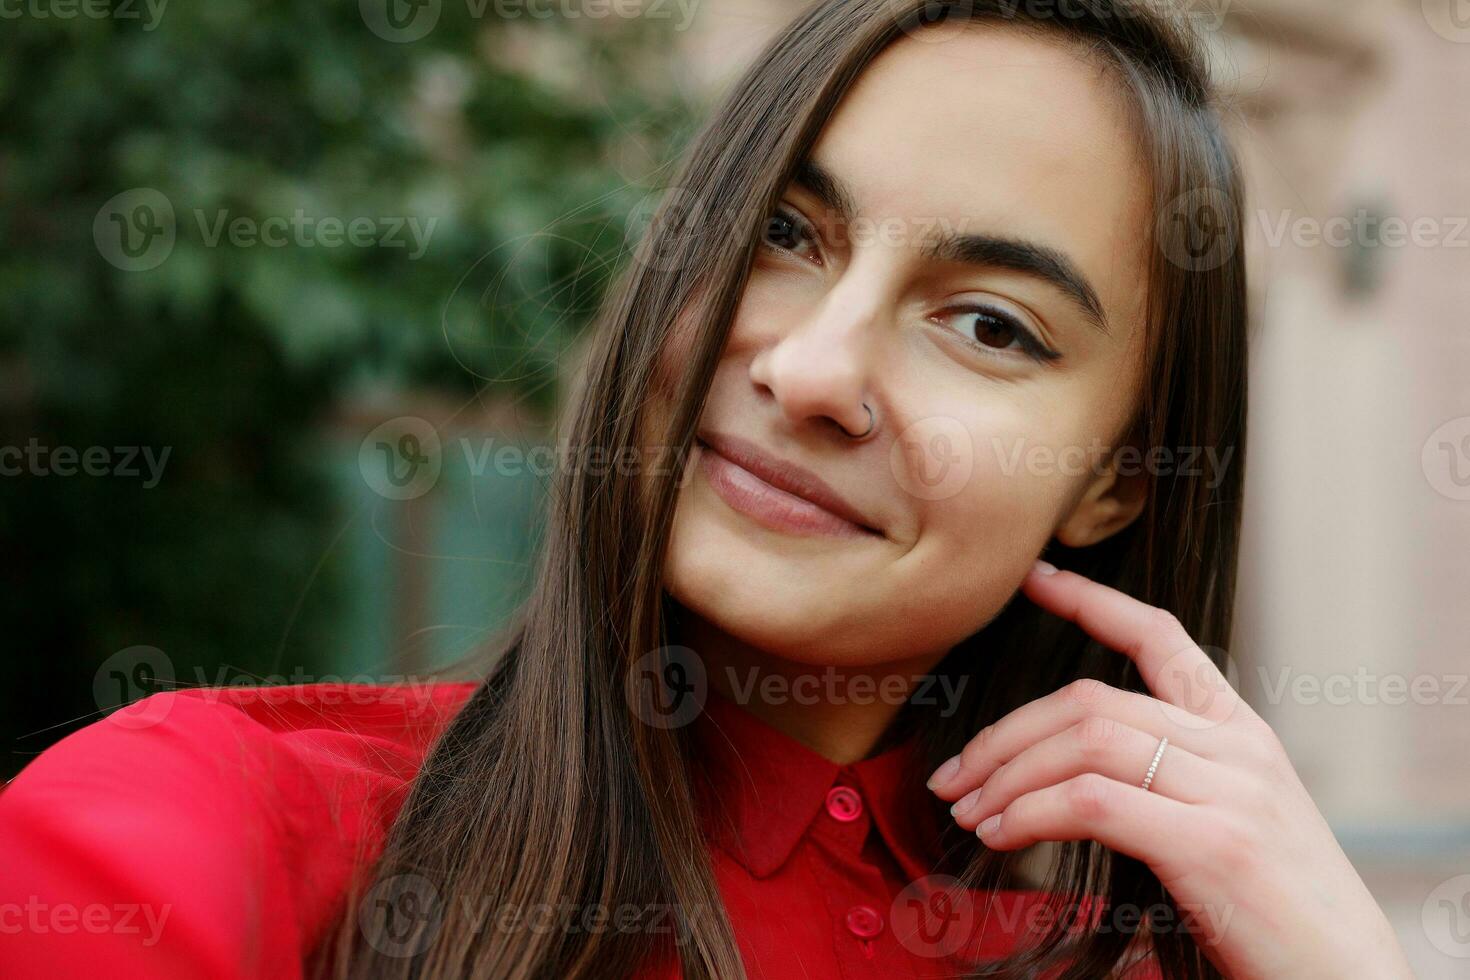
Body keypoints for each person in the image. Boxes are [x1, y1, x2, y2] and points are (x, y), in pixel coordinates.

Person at [0, 1, 1415, 977]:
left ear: (1113, 479)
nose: (809, 367)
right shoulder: (218, 826)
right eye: (783, 232)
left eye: (988, 323)